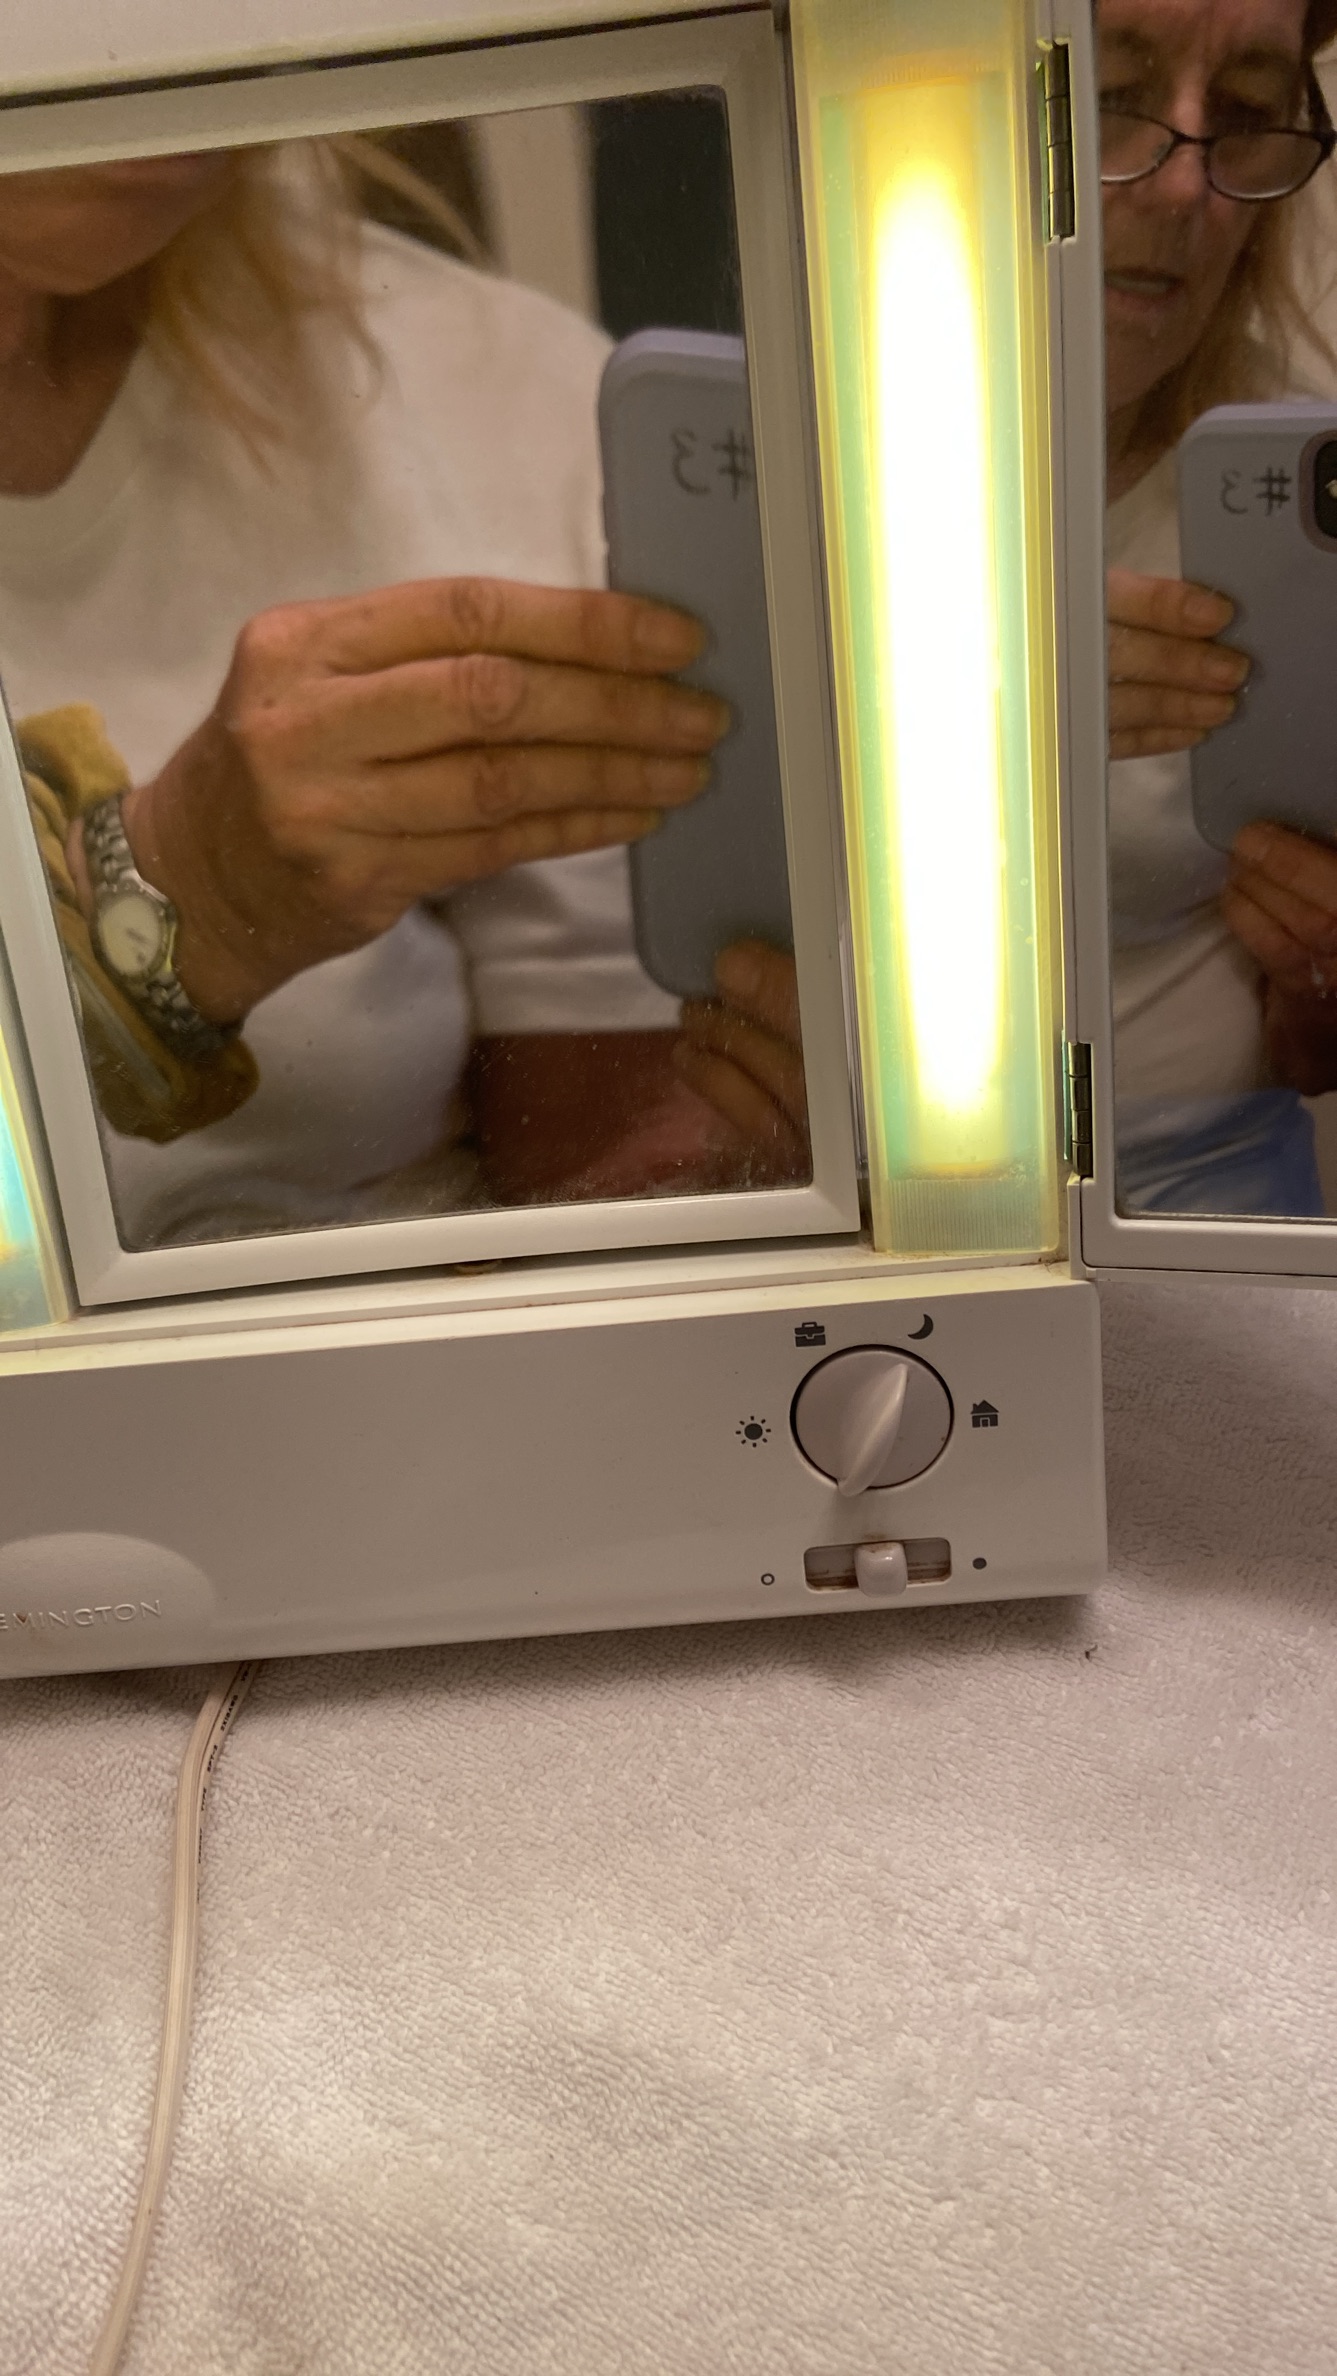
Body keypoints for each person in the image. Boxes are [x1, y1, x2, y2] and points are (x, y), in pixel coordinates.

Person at [0, 136, 808, 1249]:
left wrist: (760, 1171)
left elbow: (603, 1158)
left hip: (433, 1335)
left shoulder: (487, 385)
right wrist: (175, 901)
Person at [1101, 0, 1337, 1214]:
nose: (1184, 183)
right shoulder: (793, 460)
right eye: (1105, 93)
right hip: (879, 1207)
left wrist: (1316, 982)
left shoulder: (1298, 493)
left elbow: (1311, 1052)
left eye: (1244, 112)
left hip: (1218, 1190)